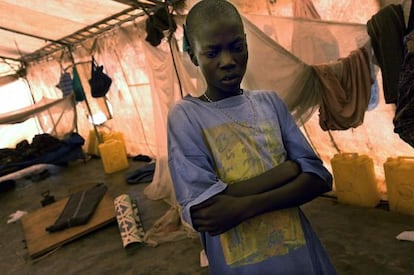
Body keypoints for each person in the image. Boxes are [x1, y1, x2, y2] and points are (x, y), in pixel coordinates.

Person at [167, 0, 337, 274]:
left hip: (301, 258)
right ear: (194, 56)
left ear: (247, 43)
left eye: (237, 48)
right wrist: (287, 171)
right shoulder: (186, 116)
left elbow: (319, 178)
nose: (228, 62)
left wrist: (241, 206)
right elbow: (206, 211)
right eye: (212, 53)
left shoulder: (269, 103)